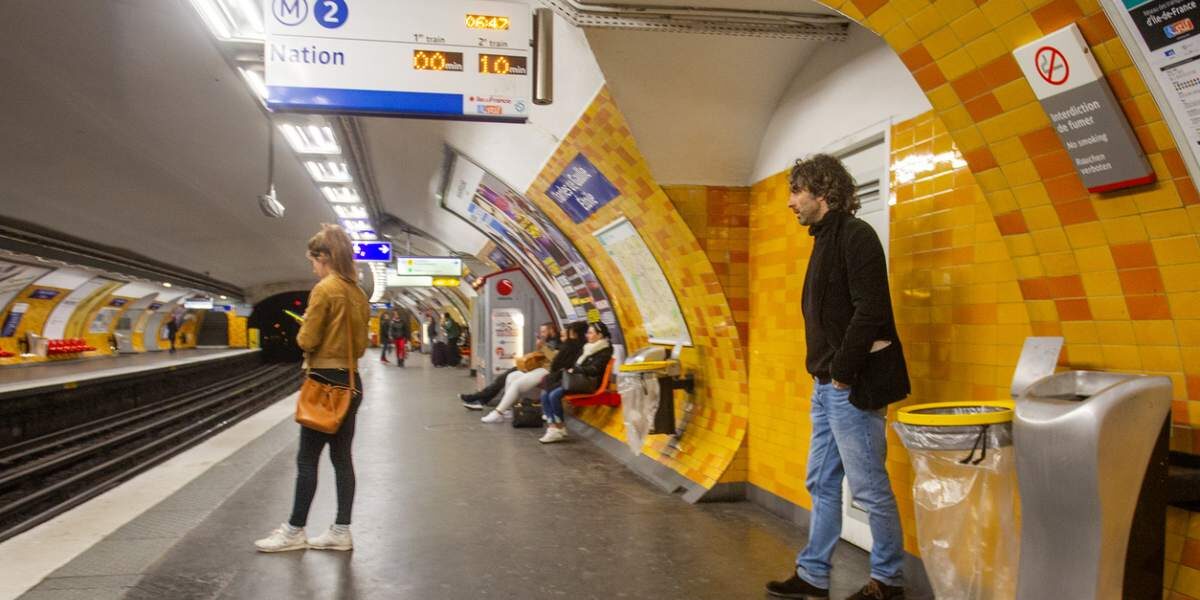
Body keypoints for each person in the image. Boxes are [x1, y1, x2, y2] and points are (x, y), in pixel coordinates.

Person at [766, 155, 911, 600]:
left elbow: (871, 308)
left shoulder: (855, 236)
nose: (790, 201)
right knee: (821, 481)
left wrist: (844, 373)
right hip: (826, 386)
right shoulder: (824, 238)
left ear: (822, 193)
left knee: (868, 488)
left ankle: (888, 582)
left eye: (796, 191)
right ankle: (813, 574)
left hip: (850, 386)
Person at [255, 224, 369, 553]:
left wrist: (305, 325)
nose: (312, 267)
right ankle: (340, 530)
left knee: (307, 460)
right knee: (342, 459)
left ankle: (293, 532)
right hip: (350, 381)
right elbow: (360, 346)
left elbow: (307, 339)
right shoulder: (357, 292)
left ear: (325, 257)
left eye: (313, 260)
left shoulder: (325, 289)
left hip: (323, 382)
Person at [481, 321, 580, 423]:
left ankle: (498, 412)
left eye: (564, 335)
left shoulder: (569, 348)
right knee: (511, 376)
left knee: (517, 384)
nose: (561, 336)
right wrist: (542, 348)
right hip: (543, 368)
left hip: (550, 371)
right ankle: (508, 409)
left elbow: (556, 361)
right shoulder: (561, 344)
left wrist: (543, 347)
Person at [538, 321, 612, 444]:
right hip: (577, 379)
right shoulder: (588, 347)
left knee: (554, 395)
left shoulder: (604, 351)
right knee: (545, 392)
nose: (587, 335)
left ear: (599, 335)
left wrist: (576, 369)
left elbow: (594, 370)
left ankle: (558, 428)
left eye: (590, 333)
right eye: (587, 332)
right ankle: (554, 427)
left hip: (587, 383)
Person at [462, 321, 561, 410]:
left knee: (503, 379)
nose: (542, 334)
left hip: (538, 370)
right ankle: (480, 399)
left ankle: (478, 399)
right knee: (502, 379)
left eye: (544, 332)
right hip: (533, 367)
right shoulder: (549, 341)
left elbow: (554, 359)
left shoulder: (557, 343)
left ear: (551, 330)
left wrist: (542, 346)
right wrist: (541, 346)